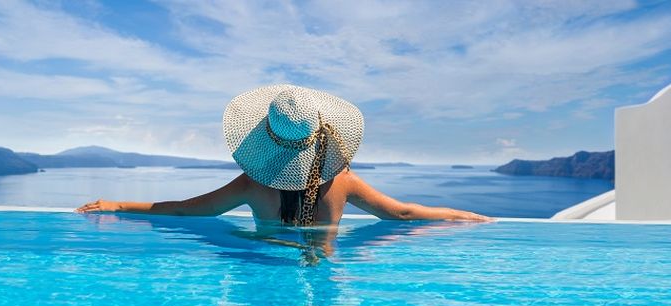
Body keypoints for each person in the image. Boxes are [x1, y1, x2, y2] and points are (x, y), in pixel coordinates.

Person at [76, 85, 491, 225]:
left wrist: (119, 204)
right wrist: (461, 215)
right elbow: (401, 215)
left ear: (266, 138)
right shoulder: (342, 181)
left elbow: (187, 211)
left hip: (263, 271)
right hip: (324, 274)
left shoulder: (254, 184)